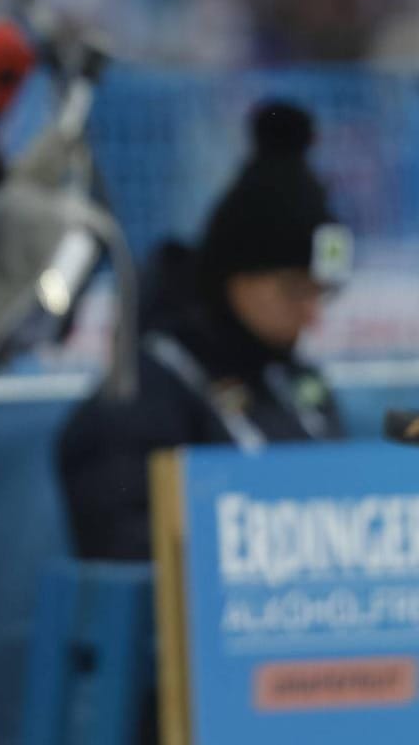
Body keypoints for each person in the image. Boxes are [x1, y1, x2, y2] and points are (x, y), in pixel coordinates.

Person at [58, 100, 351, 562]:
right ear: (235, 275)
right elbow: (121, 546)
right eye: (295, 290)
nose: (312, 315)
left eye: (324, 293)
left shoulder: (300, 383)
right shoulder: (146, 394)